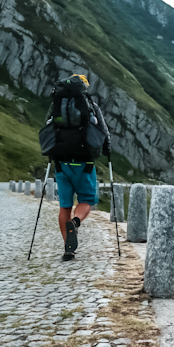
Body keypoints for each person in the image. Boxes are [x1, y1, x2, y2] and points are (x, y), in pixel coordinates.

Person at [43, 74, 111, 261]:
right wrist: (107, 150)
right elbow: (103, 132)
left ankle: (68, 249)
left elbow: (48, 128)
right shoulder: (90, 106)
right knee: (86, 201)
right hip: (84, 162)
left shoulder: (56, 105)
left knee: (65, 205)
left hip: (62, 162)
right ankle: (76, 221)